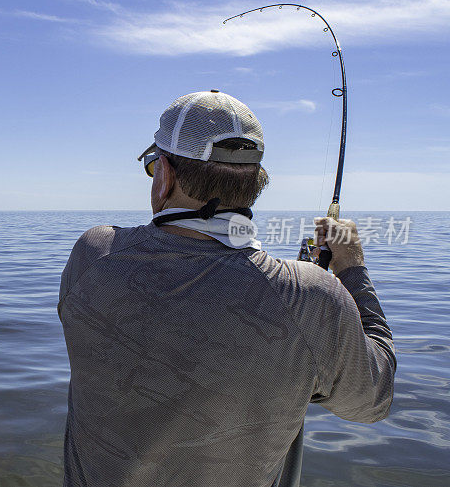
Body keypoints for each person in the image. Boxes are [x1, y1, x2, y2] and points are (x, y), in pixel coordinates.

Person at [57, 90, 396, 487]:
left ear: (164, 174)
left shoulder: (94, 254)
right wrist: (351, 270)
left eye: (153, 167)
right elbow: (371, 401)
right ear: (256, 184)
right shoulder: (312, 297)